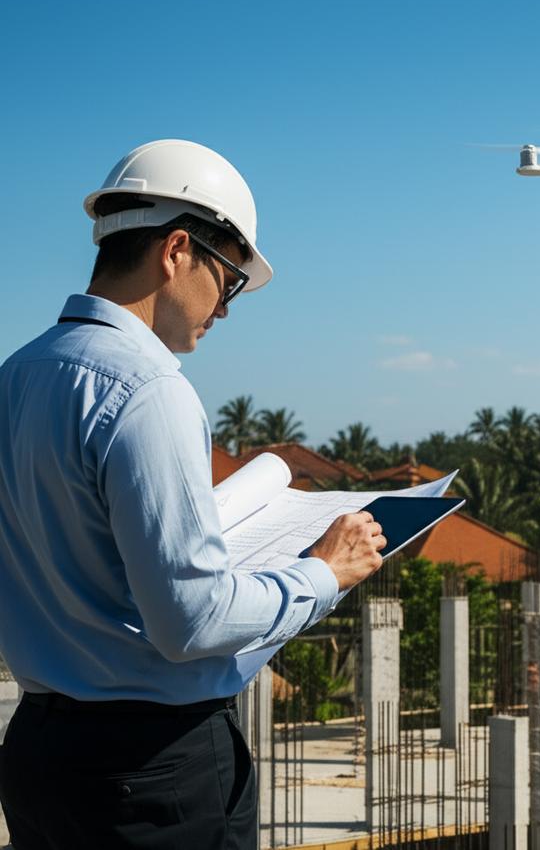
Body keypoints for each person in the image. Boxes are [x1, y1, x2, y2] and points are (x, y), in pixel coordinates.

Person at [0, 140, 386, 849]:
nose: (227, 309)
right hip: (149, 772)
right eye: (230, 279)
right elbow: (191, 621)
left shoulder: (16, 375)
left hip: (38, 758)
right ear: (177, 250)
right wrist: (324, 573)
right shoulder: (148, 391)